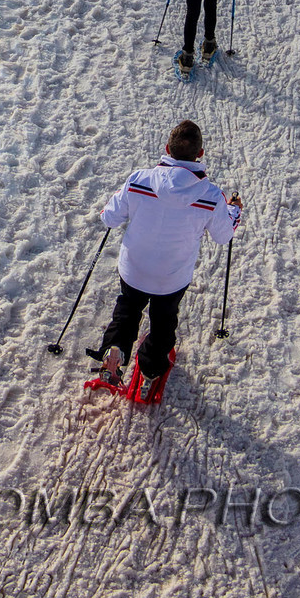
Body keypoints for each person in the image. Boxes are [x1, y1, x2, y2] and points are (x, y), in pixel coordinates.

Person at [86, 119, 242, 398]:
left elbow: (109, 217)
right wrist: (233, 212)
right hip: (171, 278)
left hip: (133, 269)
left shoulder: (139, 179)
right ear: (200, 154)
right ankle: (149, 369)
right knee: (163, 324)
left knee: (126, 311)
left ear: (167, 148)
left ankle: (115, 351)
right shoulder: (210, 196)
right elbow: (222, 236)